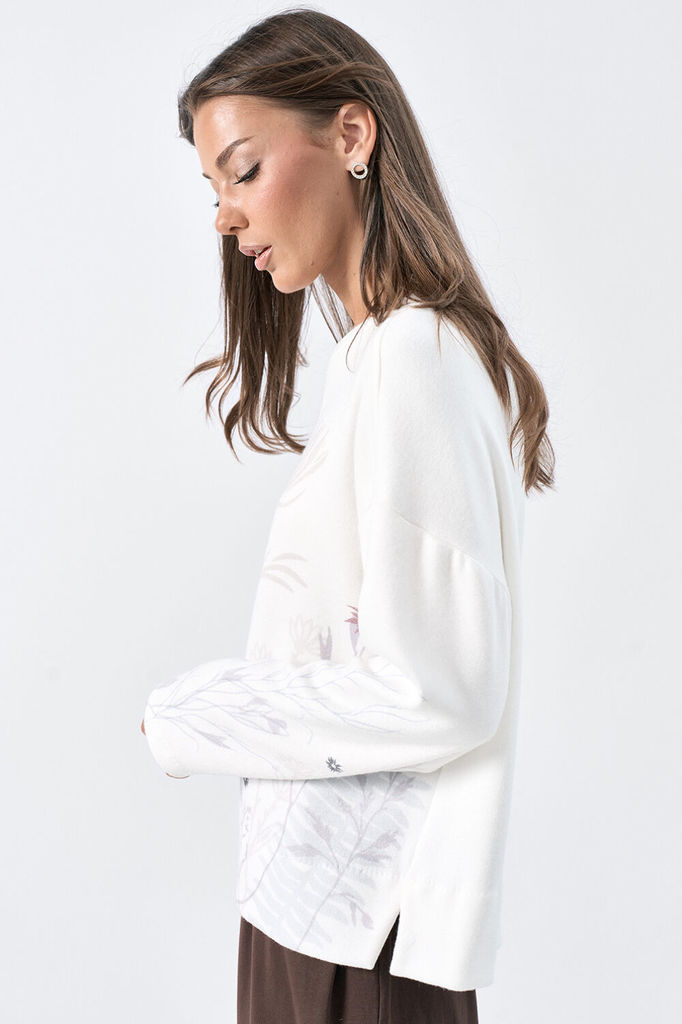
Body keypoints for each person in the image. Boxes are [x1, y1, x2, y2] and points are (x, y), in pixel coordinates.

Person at [141, 8, 555, 1023]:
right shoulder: (376, 358)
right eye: (213, 189)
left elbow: (442, 689)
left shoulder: (416, 356)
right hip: (318, 917)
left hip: (363, 941)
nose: (224, 216)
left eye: (243, 170)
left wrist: (199, 713)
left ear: (352, 135)